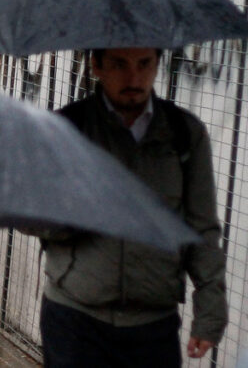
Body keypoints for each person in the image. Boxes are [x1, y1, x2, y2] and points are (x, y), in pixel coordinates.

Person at [35, 47, 227, 367]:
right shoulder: (66, 128)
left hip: (152, 326)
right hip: (75, 320)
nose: (134, 78)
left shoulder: (183, 135)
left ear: (158, 63)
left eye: (144, 64)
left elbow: (202, 229)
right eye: (119, 64)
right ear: (96, 65)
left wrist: (210, 311)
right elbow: (27, 213)